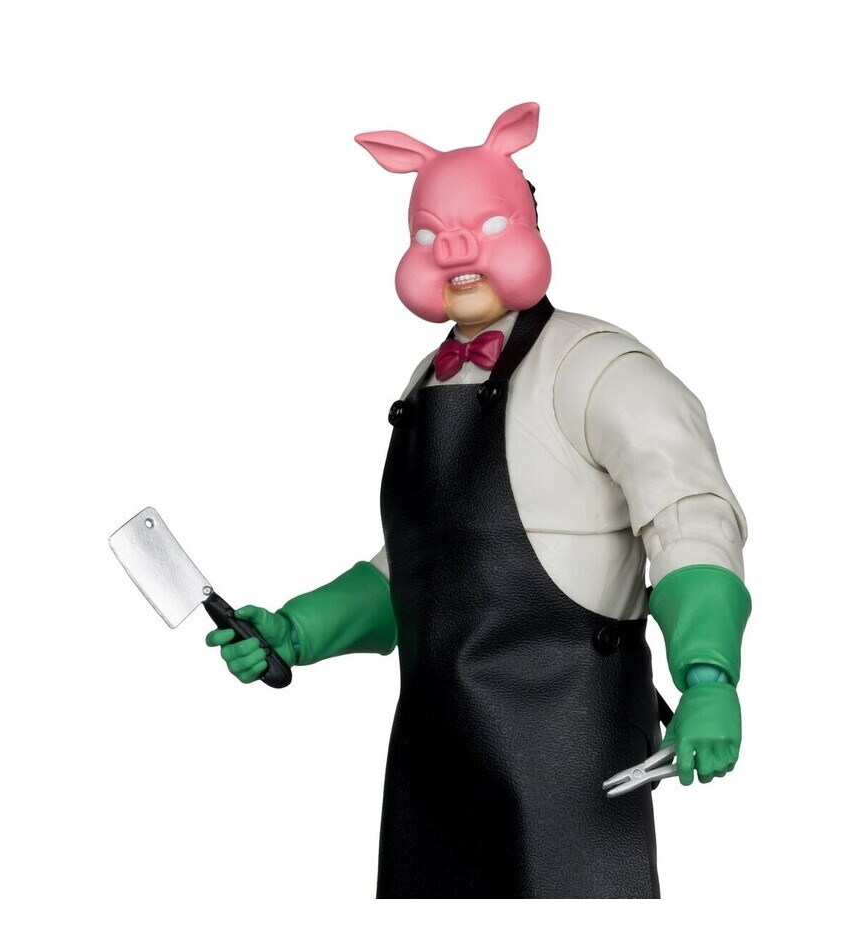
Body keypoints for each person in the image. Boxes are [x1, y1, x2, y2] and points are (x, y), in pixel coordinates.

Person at [205, 103, 751, 898]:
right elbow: (419, 567)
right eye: (431, 235)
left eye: (485, 225)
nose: (455, 251)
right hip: (433, 766)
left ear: (529, 225)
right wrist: (297, 629)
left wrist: (708, 675)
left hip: (570, 761)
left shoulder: (600, 368)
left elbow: (689, 520)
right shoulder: (424, 382)